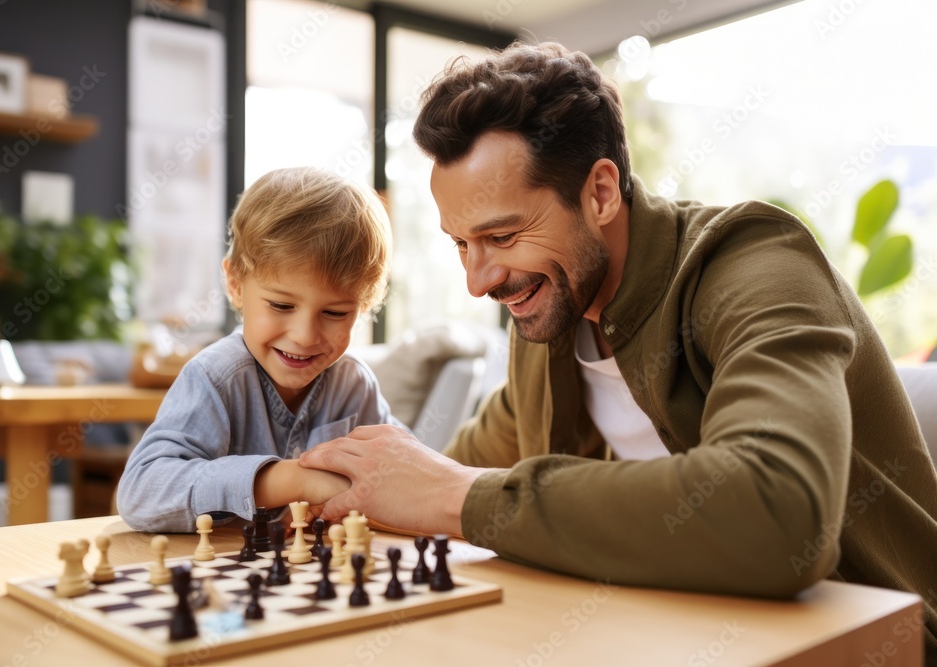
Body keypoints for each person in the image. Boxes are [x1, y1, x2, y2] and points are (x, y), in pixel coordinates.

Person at [299, 42, 937, 661]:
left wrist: (455, 496)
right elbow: (452, 467)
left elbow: (778, 512)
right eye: (461, 244)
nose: (479, 280)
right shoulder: (549, 319)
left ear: (601, 192)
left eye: (502, 235)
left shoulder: (757, 265)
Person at [118, 166, 399, 533]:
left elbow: (401, 468)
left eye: (335, 312)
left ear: (362, 309)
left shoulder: (354, 384)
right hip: (220, 578)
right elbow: (140, 493)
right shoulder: (215, 378)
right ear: (235, 285)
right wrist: (294, 480)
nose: (304, 335)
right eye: (281, 306)